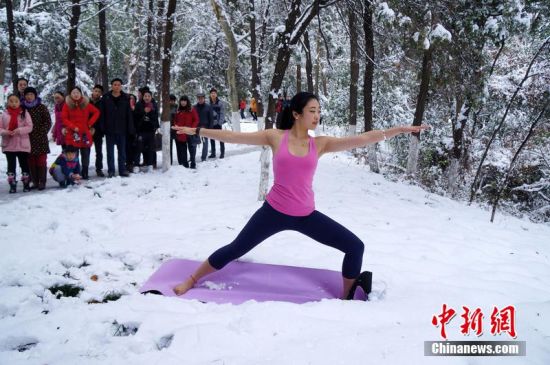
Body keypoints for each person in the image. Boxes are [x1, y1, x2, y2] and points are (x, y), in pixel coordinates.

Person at [171, 92, 429, 298]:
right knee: (235, 248)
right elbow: (234, 135)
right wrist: (197, 131)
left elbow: (362, 139)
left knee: (355, 246)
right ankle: (191, 280)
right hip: (273, 212)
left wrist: (399, 130)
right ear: (296, 114)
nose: (316, 116)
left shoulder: (321, 144)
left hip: (306, 215)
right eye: (312, 111)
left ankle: (347, 296)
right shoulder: (274, 137)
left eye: (318, 111)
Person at [61, 87, 100, 180]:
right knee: (74, 154)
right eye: (73, 92)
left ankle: (85, 172)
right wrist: (72, 126)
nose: (76, 94)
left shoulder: (86, 104)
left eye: (77, 92)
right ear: (70, 94)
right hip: (72, 133)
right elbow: (64, 118)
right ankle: (75, 172)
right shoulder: (67, 105)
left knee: (85, 153)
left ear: (81, 94)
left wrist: (90, 123)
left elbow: (96, 112)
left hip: (85, 133)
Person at [100, 78, 135, 178]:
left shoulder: (126, 97)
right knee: (110, 152)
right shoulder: (105, 98)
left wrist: (130, 128)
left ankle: (122, 170)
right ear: (112, 86)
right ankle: (111, 171)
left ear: (121, 86)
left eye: (119, 85)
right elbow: (102, 114)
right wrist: (102, 127)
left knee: (122, 152)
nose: (117, 86)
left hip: (122, 129)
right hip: (109, 129)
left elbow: (129, 114)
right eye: (115, 84)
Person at [1, 94, 33, 193]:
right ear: (8, 102)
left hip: (22, 144)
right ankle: (12, 185)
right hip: (9, 144)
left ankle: (26, 184)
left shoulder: (24, 113)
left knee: (24, 165)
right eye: (11, 101)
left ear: (19, 102)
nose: (14, 103)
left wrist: (19, 130)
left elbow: (29, 127)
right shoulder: (4, 114)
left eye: (16, 101)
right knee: (11, 166)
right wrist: (5, 132)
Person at [23, 87, 52, 190]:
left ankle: (42, 181)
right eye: (27, 94)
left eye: (31, 94)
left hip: (40, 138)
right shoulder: (22, 108)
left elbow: (48, 122)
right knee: (31, 161)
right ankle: (35, 181)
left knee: (41, 160)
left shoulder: (42, 107)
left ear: (35, 95)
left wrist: (41, 132)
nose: (29, 96)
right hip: (27, 138)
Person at [133, 90, 159, 172]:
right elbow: (135, 117)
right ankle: (136, 165)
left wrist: (150, 112)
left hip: (151, 131)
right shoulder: (138, 105)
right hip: (141, 131)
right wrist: (144, 112)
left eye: (149, 96)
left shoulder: (154, 105)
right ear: (143, 97)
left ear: (151, 97)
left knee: (151, 148)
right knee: (138, 148)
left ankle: (150, 165)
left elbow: (155, 118)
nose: (147, 98)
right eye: (145, 96)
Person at [173, 95, 199, 168]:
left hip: (190, 132)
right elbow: (175, 120)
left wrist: (192, 128)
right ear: (180, 102)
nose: (183, 102)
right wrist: (177, 126)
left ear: (187, 102)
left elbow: (196, 120)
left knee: (192, 149)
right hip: (181, 133)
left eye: (185, 101)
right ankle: (185, 164)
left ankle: (193, 163)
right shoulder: (178, 110)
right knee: (183, 150)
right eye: (182, 101)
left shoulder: (191, 109)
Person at [90, 84, 105, 177]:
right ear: (93, 91)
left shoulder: (102, 103)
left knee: (99, 151)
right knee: (85, 151)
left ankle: (99, 169)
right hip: (87, 130)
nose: (97, 93)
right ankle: (84, 169)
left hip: (99, 130)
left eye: (99, 92)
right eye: (96, 91)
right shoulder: (86, 101)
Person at [194, 92, 213, 162]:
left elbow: (211, 118)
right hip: (196, 128)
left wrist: (210, 128)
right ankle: (192, 157)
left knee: (205, 144)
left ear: (204, 99)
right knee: (194, 143)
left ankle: (203, 157)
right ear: (197, 99)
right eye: (199, 98)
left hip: (205, 128)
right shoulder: (194, 107)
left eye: (202, 98)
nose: (200, 100)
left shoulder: (208, 107)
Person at [208, 88, 225, 159]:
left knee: (221, 138)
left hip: (218, 124)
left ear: (216, 94)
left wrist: (220, 123)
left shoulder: (220, 103)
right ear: (210, 94)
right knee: (212, 139)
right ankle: (213, 153)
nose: (213, 94)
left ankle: (222, 153)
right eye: (212, 93)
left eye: (214, 93)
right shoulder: (208, 103)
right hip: (211, 124)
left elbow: (222, 113)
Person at [169, 94, 178, 165]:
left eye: (172, 100)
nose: (171, 102)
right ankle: (170, 161)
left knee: (179, 146)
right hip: (169, 129)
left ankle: (181, 161)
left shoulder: (177, 107)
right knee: (169, 147)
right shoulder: (166, 108)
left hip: (177, 129)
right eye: (170, 100)